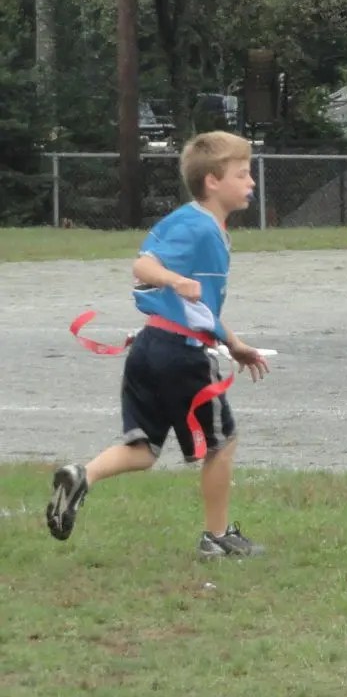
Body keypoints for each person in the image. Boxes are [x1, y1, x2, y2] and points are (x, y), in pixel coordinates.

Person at [46, 130, 270, 559]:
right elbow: (143, 265)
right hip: (180, 354)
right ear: (212, 181)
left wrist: (235, 343)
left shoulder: (195, 223)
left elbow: (200, 309)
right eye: (242, 174)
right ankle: (216, 537)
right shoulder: (197, 226)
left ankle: (82, 476)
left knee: (143, 449)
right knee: (223, 442)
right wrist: (174, 279)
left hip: (151, 346)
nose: (251, 182)